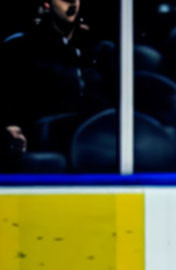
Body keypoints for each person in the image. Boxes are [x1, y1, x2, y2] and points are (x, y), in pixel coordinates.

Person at [1, 0, 111, 172]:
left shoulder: (96, 47)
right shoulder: (20, 47)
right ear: (46, 3)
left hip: (97, 144)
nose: (73, 3)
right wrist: (13, 130)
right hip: (46, 145)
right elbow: (10, 106)